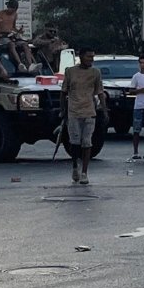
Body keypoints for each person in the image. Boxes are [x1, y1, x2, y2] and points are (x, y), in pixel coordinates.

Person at [62, 48, 107, 185]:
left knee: (87, 143)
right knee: (75, 143)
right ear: (81, 57)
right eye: (88, 56)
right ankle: (75, 166)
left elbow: (100, 92)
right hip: (74, 112)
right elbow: (63, 92)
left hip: (89, 111)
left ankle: (84, 173)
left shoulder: (95, 73)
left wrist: (104, 111)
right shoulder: (70, 71)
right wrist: (63, 110)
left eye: (93, 57)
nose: (91, 59)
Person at [0, 0, 34, 71]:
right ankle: (19, 64)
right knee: (11, 44)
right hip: (2, 36)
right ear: (8, 7)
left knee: (25, 44)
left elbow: (13, 27)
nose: (12, 11)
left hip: (11, 35)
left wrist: (19, 31)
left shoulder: (15, 15)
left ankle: (30, 65)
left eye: (14, 10)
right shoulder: (0, 14)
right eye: (11, 9)